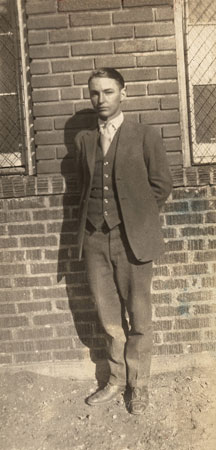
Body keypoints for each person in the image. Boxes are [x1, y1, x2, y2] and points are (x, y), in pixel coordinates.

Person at [74, 67, 172, 415]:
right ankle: (115, 380)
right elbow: (84, 188)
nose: (101, 99)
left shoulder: (145, 135)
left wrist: (135, 219)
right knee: (107, 315)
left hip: (133, 241)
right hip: (94, 240)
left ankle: (139, 386)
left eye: (108, 92)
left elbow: (161, 186)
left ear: (123, 94)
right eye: (95, 93)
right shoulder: (84, 140)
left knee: (139, 316)